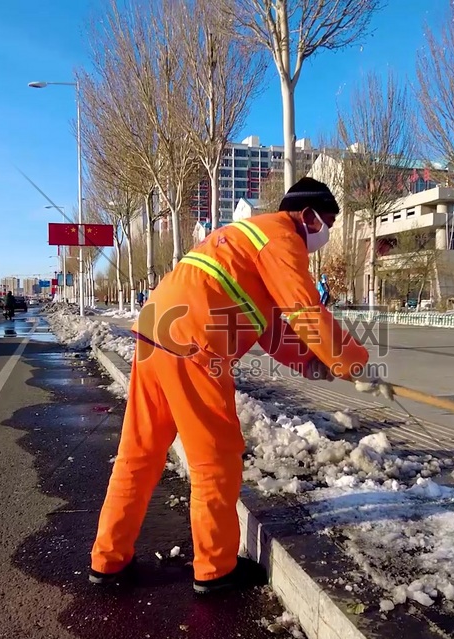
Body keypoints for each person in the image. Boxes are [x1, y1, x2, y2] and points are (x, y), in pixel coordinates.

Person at [89, 176, 387, 595]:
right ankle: (215, 570)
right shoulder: (282, 237)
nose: (326, 235)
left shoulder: (247, 240)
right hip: (194, 343)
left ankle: (107, 560)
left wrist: (317, 366)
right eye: (328, 224)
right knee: (216, 460)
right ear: (307, 215)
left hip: (157, 331)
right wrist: (355, 364)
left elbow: (271, 329)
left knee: (140, 452)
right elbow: (307, 311)